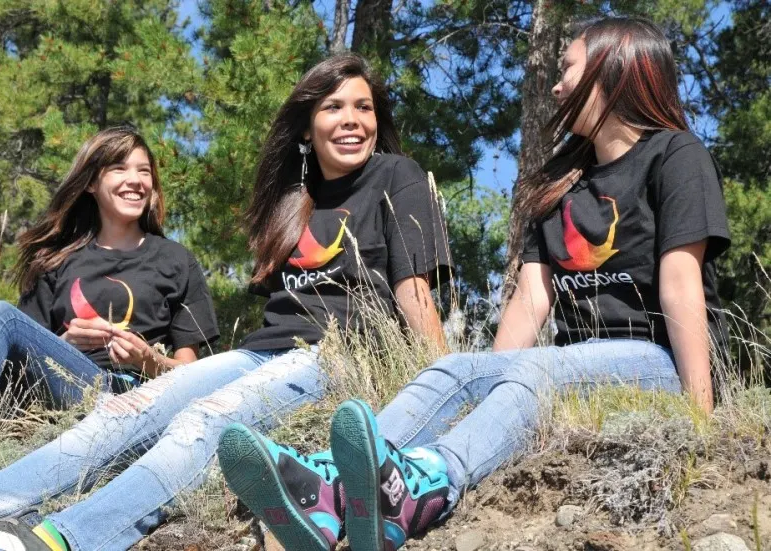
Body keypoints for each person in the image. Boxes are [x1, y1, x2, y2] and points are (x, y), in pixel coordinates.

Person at [217, 16, 731, 551]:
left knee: (535, 371)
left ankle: (430, 482)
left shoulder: (676, 155)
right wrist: (482, 371)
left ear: (615, 68)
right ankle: (333, 484)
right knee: (455, 366)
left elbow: (679, 284)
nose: (556, 85)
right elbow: (531, 299)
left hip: (656, 362)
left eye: (569, 69)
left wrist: (699, 418)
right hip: (575, 366)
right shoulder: (561, 184)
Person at [0, 52, 451, 551]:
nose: (352, 120)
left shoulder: (397, 176)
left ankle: (61, 538)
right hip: (260, 352)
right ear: (305, 127)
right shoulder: (293, 202)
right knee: (119, 415)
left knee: (203, 420)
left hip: (333, 354)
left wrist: (439, 385)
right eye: (334, 107)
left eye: (364, 108)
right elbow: (282, 309)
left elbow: (414, 293)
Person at [0, 126, 220, 474]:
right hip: (46, 397)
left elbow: (194, 372)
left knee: (0, 314)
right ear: (91, 183)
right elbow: (19, 359)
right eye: (119, 168)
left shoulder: (176, 260)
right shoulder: (57, 260)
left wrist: (146, 359)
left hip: (119, 395)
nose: (135, 180)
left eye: (144, 171)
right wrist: (64, 344)